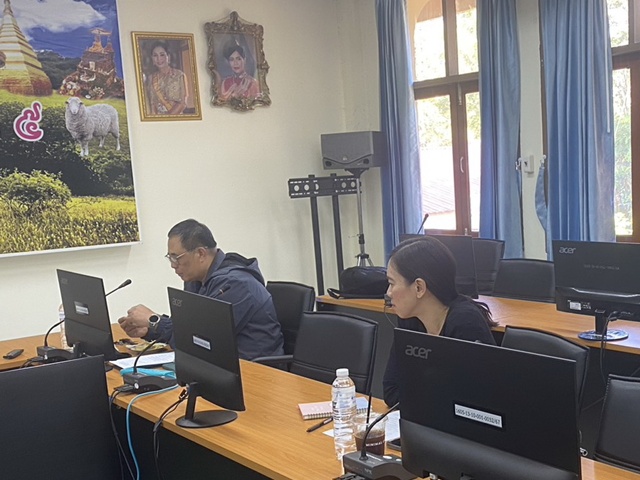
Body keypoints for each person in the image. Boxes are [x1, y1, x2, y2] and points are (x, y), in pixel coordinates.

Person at [118, 219, 284, 360]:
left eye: (176, 258)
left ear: (201, 254)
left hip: (255, 372)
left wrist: (155, 321)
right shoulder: (195, 280)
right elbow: (187, 329)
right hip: (216, 367)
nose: (173, 265)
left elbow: (202, 340)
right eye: (170, 258)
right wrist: (149, 330)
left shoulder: (236, 284)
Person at [382, 236, 498, 407]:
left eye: (392, 284)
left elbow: (475, 401)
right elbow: (391, 390)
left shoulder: (465, 323)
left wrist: (423, 399)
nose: (388, 293)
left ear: (419, 287)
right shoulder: (410, 321)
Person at [145, 41, 187, 115]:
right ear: (152, 59)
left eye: (162, 55)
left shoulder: (179, 75)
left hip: (176, 118)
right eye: (155, 55)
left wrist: (167, 118)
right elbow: (152, 104)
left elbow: (182, 103)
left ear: (168, 57)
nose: (159, 59)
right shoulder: (150, 78)